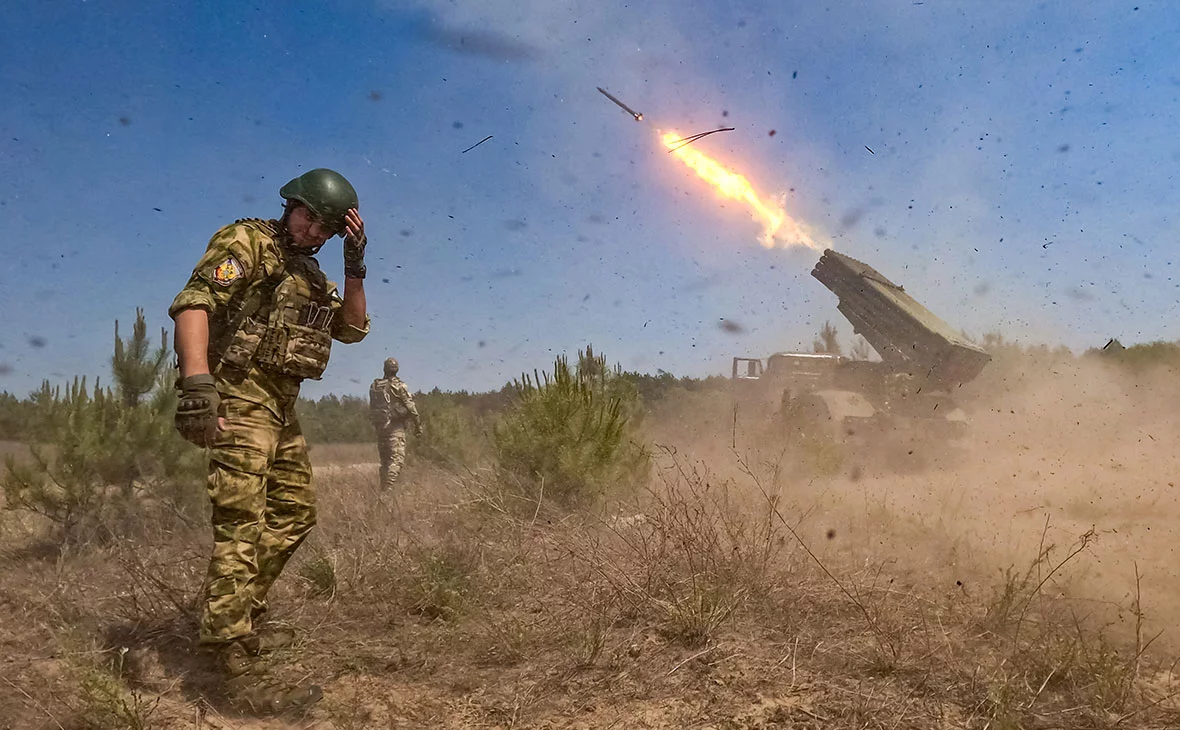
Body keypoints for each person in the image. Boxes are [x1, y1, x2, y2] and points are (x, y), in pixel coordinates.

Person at [168, 168, 370, 711]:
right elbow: (194, 304)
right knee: (240, 521)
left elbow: (350, 329)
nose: (315, 233)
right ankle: (228, 655)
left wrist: (355, 266)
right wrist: (197, 386)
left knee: (296, 513)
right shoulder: (246, 243)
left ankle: (236, 615)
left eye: (327, 229)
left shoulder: (311, 274)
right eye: (310, 220)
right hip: (236, 396)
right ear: (292, 206)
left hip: (279, 405)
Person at [369, 357, 422, 489]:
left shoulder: (375, 386)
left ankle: (383, 489)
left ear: (384, 369)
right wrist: (418, 426)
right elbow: (411, 408)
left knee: (385, 462)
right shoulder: (398, 386)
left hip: (381, 429)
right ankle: (388, 490)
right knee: (397, 460)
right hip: (395, 428)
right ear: (397, 370)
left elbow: (372, 406)